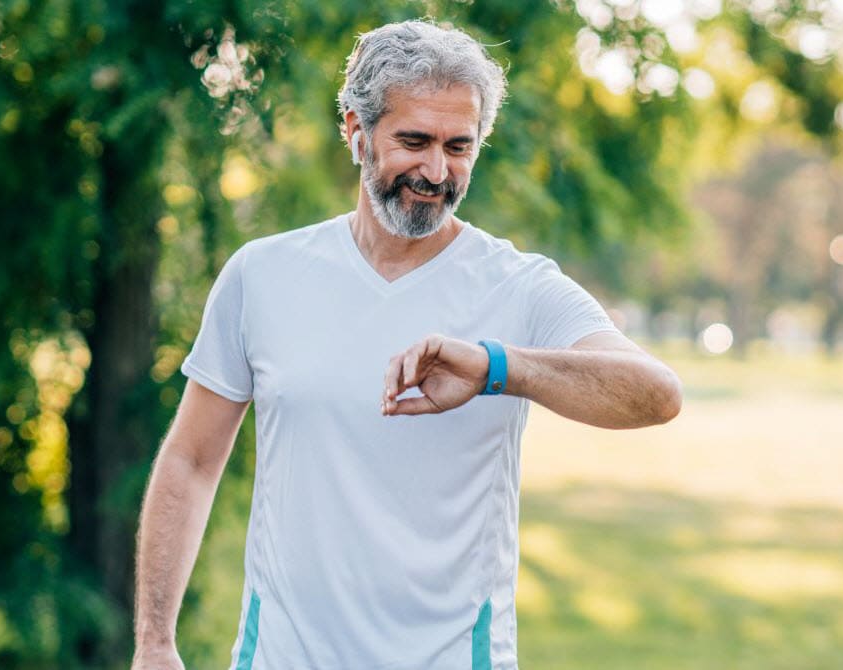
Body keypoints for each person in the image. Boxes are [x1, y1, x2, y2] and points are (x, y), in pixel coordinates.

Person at [131, 20, 682, 670]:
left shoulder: (522, 287)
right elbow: (192, 460)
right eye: (414, 141)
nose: (435, 170)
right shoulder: (262, 274)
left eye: (459, 146)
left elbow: (656, 394)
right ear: (355, 132)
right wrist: (154, 644)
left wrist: (497, 367)